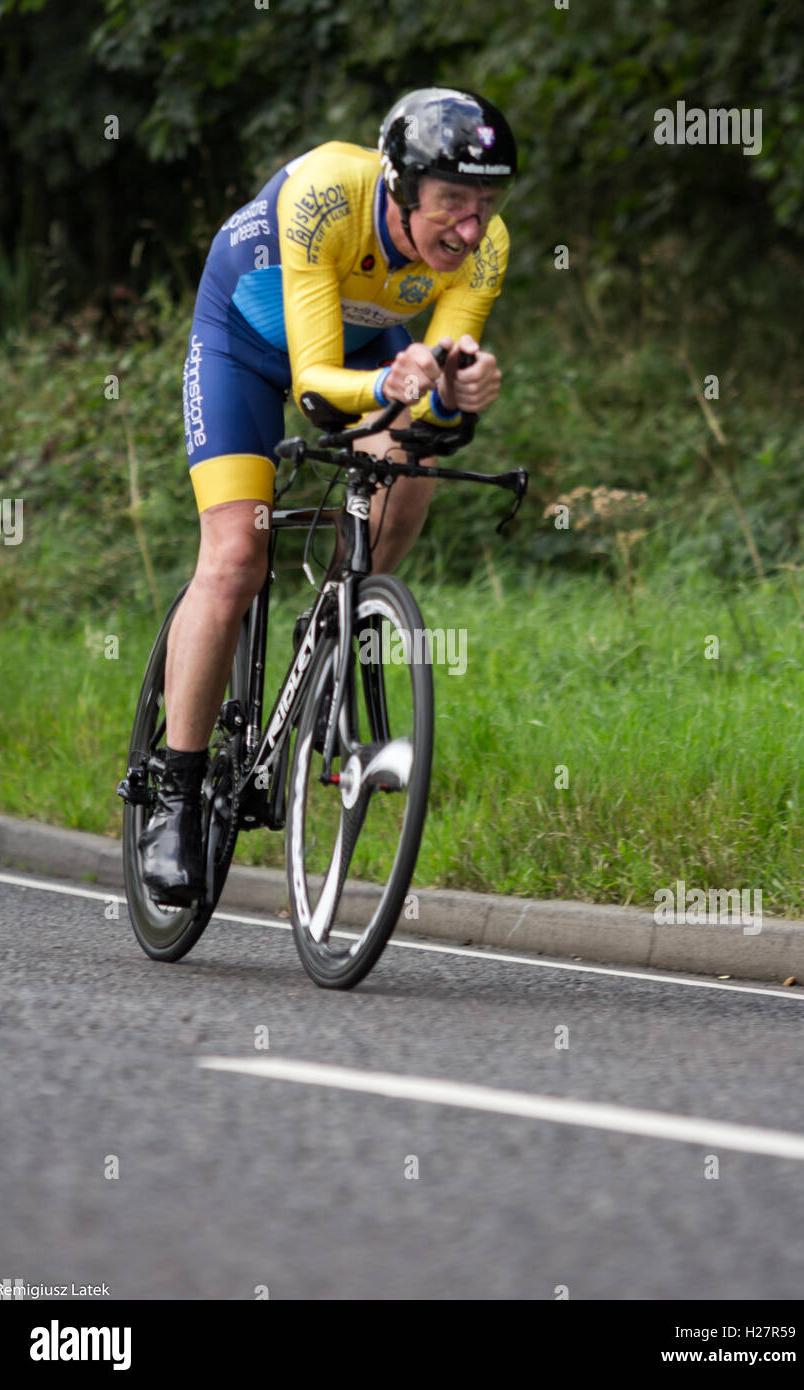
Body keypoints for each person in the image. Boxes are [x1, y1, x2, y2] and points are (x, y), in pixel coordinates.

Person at [139, 86, 517, 905]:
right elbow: (314, 389)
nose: (470, 226)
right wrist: (393, 378)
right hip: (249, 342)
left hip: (367, 349)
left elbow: (438, 414)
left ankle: (334, 621)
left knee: (411, 462)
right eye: (453, 200)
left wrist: (460, 392)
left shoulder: (485, 252)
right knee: (237, 556)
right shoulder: (324, 195)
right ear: (399, 186)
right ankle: (175, 796)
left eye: (487, 202)